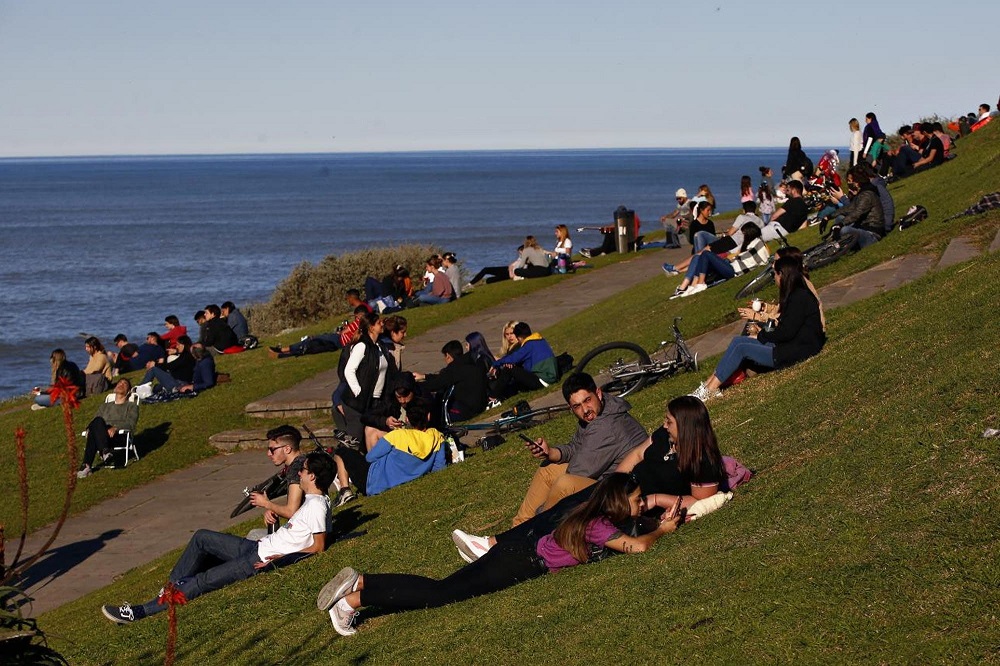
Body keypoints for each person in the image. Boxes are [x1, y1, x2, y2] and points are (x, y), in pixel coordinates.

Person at [321, 472, 681, 636]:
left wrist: (655, 521)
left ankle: (360, 585)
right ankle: (354, 598)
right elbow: (635, 547)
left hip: (518, 554)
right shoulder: (598, 525)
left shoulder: (595, 516)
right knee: (440, 594)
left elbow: (628, 536)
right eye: (637, 500)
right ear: (618, 501)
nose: (640, 505)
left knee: (441, 587)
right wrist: (663, 530)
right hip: (518, 561)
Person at [451, 395, 726, 563]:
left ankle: (494, 546)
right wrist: (614, 482)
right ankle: (495, 543)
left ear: (686, 426)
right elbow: (637, 454)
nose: (664, 424)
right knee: (562, 507)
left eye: (669, 421)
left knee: (567, 511)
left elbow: (700, 500)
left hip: (637, 505)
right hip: (622, 490)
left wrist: (654, 499)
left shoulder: (703, 461)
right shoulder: (665, 437)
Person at [102, 451, 334, 624]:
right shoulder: (312, 502)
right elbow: (300, 535)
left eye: (303, 470)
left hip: (257, 561)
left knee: (202, 581)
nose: (299, 473)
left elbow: (318, 547)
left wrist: (278, 561)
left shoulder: (317, 506)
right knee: (202, 537)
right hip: (256, 547)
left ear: (312, 476)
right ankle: (169, 589)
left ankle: (140, 612)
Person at [508, 372, 649, 526]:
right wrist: (551, 452)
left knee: (565, 484)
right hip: (608, 481)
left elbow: (577, 473)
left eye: (587, 400)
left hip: (624, 494)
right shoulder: (601, 409)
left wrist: (541, 513)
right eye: (577, 406)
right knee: (549, 469)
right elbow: (577, 447)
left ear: (598, 393)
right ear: (571, 408)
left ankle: (534, 529)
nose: (585, 410)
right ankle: (519, 526)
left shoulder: (606, 426)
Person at [689, 255, 826, 401]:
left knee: (741, 347)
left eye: (775, 274)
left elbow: (786, 332)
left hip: (795, 351)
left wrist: (762, 335)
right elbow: (786, 328)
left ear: (782, 275)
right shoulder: (796, 294)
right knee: (738, 341)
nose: (774, 278)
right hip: (793, 345)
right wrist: (761, 334)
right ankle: (708, 386)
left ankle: (710, 390)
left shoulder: (798, 298)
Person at [332, 395, 445, 500]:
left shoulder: (397, 435)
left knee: (342, 452)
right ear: (428, 416)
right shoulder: (437, 437)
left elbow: (370, 458)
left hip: (372, 483)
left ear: (407, 419)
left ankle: (345, 490)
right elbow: (439, 467)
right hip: (399, 480)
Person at [670, 224, 770, 298]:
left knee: (706, 254)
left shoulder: (758, 243)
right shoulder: (749, 244)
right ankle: (689, 286)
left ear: (749, 233)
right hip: (729, 265)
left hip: (733, 270)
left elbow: (763, 257)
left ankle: (700, 284)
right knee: (697, 257)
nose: (742, 236)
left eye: (744, 234)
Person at [244, 425, 308, 537]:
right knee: (254, 534)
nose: (268, 454)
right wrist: (274, 508)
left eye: (272, 449)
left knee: (253, 536)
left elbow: (291, 512)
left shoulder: (296, 469)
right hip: (306, 529)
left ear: (287, 449)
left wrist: (266, 503)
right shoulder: (303, 461)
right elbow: (297, 504)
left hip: (303, 534)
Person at [337, 312, 389, 443]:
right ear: (371, 327)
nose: (382, 324)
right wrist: (358, 391)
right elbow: (349, 370)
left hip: (375, 401)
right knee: (357, 440)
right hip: (357, 403)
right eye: (379, 323)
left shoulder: (379, 346)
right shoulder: (362, 346)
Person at [414, 339, 489, 425]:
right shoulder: (469, 362)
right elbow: (445, 378)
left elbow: (436, 384)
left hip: (465, 411)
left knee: (436, 401)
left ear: (448, 356)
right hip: (480, 406)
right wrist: (424, 376)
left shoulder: (453, 368)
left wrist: (414, 385)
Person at [77, 378, 139, 478]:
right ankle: (104, 452)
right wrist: (89, 428)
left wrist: (116, 428)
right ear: (115, 388)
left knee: (94, 431)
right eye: (119, 383)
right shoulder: (104, 406)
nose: (121, 384)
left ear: (128, 392)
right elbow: (95, 422)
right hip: (103, 436)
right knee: (97, 421)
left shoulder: (131, 406)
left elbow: (131, 424)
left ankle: (86, 465)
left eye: (125, 384)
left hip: (119, 436)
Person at [488, 322, 558, 403]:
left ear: (519, 337)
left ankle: (492, 397)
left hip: (543, 380)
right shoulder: (540, 340)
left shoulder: (528, 345)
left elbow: (513, 358)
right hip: (551, 376)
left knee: (509, 370)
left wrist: (495, 364)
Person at [270, 306, 369, 359]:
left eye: (356, 316)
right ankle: (284, 353)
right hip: (340, 344)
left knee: (312, 339)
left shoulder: (358, 322)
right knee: (312, 346)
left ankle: (283, 349)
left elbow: (343, 333)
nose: (355, 318)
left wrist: (343, 329)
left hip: (338, 339)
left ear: (360, 315)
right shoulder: (365, 325)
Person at [825, 164, 886, 249]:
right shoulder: (862, 193)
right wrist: (829, 217)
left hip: (872, 233)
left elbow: (857, 213)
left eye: (850, 181)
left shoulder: (867, 195)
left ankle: (842, 244)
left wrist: (840, 224)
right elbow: (850, 208)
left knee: (845, 230)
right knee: (840, 218)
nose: (849, 183)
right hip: (863, 227)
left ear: (857, 182)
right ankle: (838, 242)